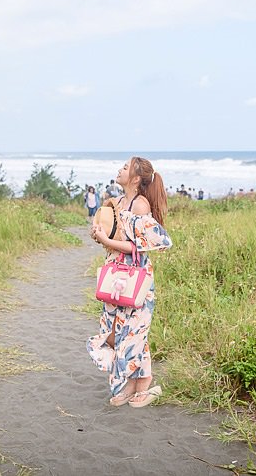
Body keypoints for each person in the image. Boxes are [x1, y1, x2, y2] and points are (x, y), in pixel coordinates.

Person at [88, 156, 171, 408]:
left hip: (135, 278)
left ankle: (143, 385)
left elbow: (139, 247)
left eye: (125, 167)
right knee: (115, 331)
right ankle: (130, 385)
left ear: (135, 178)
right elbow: (111, 236)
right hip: (116, 275)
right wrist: (98, 235)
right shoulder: (117, 202)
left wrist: (107, 241)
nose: (120, 169)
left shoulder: (140, 206)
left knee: (134, 332)